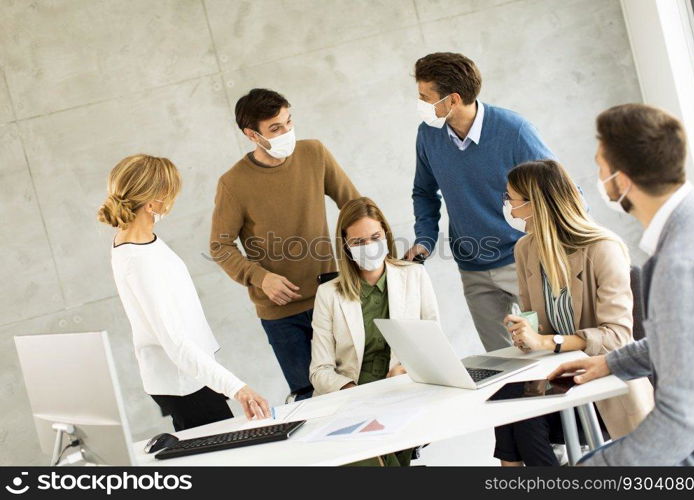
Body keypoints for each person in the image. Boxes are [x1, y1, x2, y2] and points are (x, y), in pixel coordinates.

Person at [549, 104, 694, 466]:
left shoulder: (677, 263)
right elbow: (685, 338)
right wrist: (611, 363)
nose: (598, 177)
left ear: (622, 179)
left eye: (601, 167)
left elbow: (682, 422)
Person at [494, 160, 653, 466]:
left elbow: (618, 337)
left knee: (523, 418)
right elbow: (536, 323)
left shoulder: (603, 248)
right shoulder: (526, 249)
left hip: (604, 378)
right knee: (506, 401)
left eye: (510, 199)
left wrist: (548, 342)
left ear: (534, 204)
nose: (508, 207)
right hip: (557, 374)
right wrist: (524, 333)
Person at [99, 154, 270, 431]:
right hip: (183, 382)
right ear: (153, 202)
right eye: (170, 194)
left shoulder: (142, 239)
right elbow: (175, 342)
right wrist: (239, 389)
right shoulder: (136, 260)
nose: (173, 201)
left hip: (195, 373)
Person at [210, 89, 360, 402]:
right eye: (275, 129)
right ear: (251, 135)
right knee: (312, 400)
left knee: (357, 388)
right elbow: (220, 246)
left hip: (331, 297)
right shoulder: (233, 183)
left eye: (289, 122)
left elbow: (355, 207)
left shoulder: (314, 153)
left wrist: (364, 262)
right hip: (281, 315)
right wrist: (260, 277)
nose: (287, 132)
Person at [405, 52, 556, 353]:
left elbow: (558, 188)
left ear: (453, 100)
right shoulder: (428, 135)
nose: (420, 104)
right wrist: (425, 239)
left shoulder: (514, 131)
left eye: (425, 97)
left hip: (523, 261)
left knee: (543, 351)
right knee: (504, 360)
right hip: (473, 267)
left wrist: (569, 243)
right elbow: (423, 192)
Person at [310, 197, 440, 466]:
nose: (368, 247)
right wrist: (355, 394)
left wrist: (407, 371)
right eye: (358, 242)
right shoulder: (328, 294)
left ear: (386, 235)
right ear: (345, 246)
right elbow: (319, 371)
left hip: (401, 394)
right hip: (350, 400)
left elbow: (435, 351)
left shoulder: (414, 277)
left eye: (375, 237)